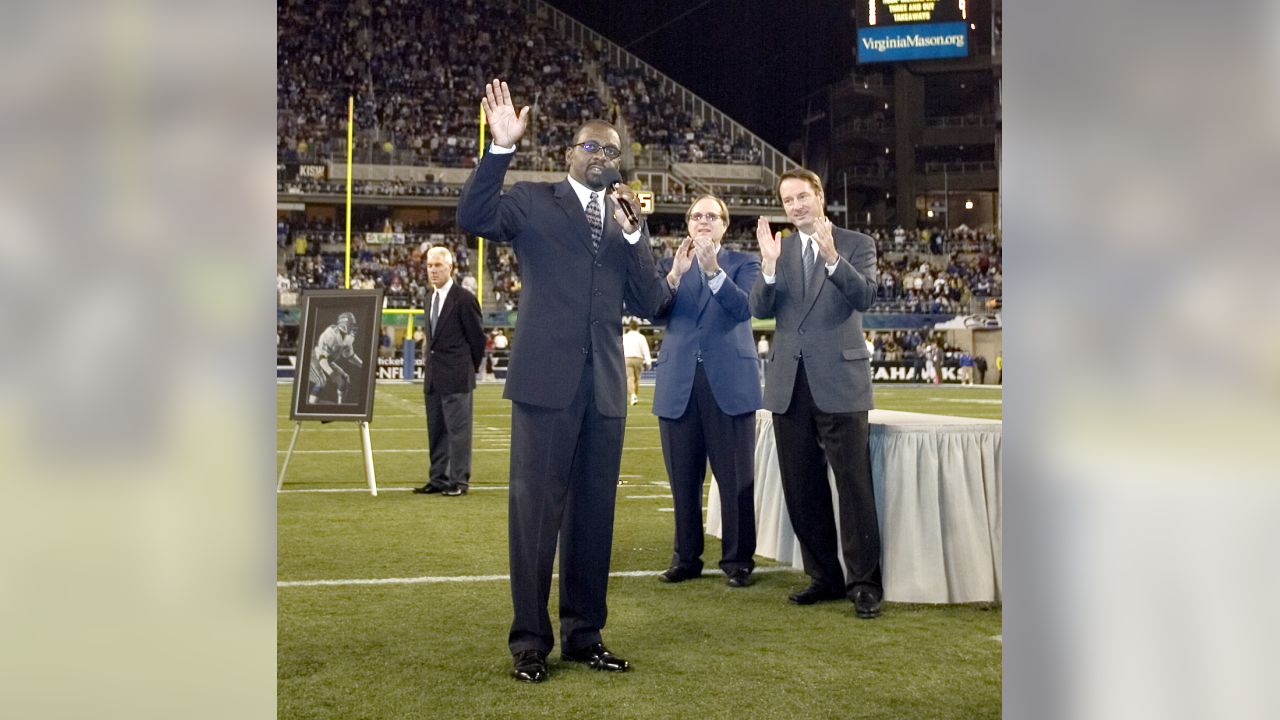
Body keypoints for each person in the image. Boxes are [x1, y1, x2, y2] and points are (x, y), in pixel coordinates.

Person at [456, 79, 673, 684]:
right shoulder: (532, 200)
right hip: (546, 384)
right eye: (592, 148)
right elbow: (472, 215)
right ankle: (529, 643)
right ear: (568, 153)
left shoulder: (624, 220)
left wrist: (637, 236)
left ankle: (585, 635)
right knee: (535, 516)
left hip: (605, 388)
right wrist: (499, 149)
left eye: (612, 153)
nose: (603, 158)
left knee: (594, 517)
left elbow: (654, 302)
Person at [750, 168, 884, 620]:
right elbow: (759, 310)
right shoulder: (780, 250)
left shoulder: (856, 243)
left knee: (853, 488)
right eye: (788, 200)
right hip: (790, 383)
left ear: (820, 196)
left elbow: (865, 296)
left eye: (803, 197)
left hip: (840, 382)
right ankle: (823, 576)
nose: (796, 206)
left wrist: (831, 259)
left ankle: (864, 584)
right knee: (802, 488)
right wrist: (767, 269)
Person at [650, 194, 762, 588]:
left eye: (710, 216)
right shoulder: (669, 264)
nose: (702, 221)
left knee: (735, 479)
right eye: (696, 215)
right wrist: (675, 275)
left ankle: (737, 559)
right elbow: (652, 311)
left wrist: (713, 270)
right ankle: (686, 557)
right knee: (682, 480)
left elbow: (744, 308)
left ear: (724, 225)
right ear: (688, 223)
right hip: (678, 383)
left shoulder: (744, 263)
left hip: (729, 382)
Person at [412, 246, 486, 497]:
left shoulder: (464, 299)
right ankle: (438, 478)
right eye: (430, 266)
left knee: (458, 433)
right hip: (434, 376)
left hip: (456, 376)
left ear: (450, 268)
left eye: (438, 266)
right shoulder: (428, 298)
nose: (433, 270)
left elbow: (477, 339)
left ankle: (459, 481)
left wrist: (467, 368)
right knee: (437, 432)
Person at [306, 311, 363, 404]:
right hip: (315, 358)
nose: (353, 328)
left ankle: (340, 406)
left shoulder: (346, 338)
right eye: (351, 325)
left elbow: (350, 356)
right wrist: (332, 374)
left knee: (344, 379)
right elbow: (322, 359)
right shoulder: (330, 335)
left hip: (327, 360)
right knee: (321, 381)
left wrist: (363, 365)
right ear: (344, 325)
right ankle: (311, 405)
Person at [622, 319, 651, 406]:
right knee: (637, 379)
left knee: (630, 378)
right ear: (637, 327)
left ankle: (633, 395)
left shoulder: (625, 336)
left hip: (627, 358)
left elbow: (621, 348)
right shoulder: (641, 337)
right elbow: (645, 350)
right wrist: (648, 361)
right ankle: (634, 396)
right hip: (638, 359)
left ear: (629, 327)